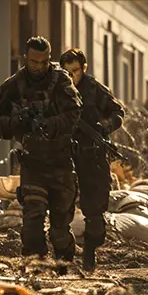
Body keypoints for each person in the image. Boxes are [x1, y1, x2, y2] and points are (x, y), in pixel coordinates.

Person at [0, 36, 82, 260]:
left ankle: (64, 268)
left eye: (43, 62)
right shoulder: (13, 85)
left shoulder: (61, 81)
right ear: (25, 59)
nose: (39, 67)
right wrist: (18, 120)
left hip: (61, 161)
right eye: (34, 62)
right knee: (32, 221)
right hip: (33, 162)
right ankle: (35, 267)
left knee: (60, 228)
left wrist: (51, 124)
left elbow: (74, 113)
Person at [59, 47, 126, 271]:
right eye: (67, 72)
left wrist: (104, 127)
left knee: (95, 213)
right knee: (60, 209)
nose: (72, 76)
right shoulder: (55, 91)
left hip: (93, 155)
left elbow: (118, 112)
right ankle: (64, 257)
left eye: (76, 71)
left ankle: (89, 254)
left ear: (84, 69)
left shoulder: (95, 89)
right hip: (64, 156)